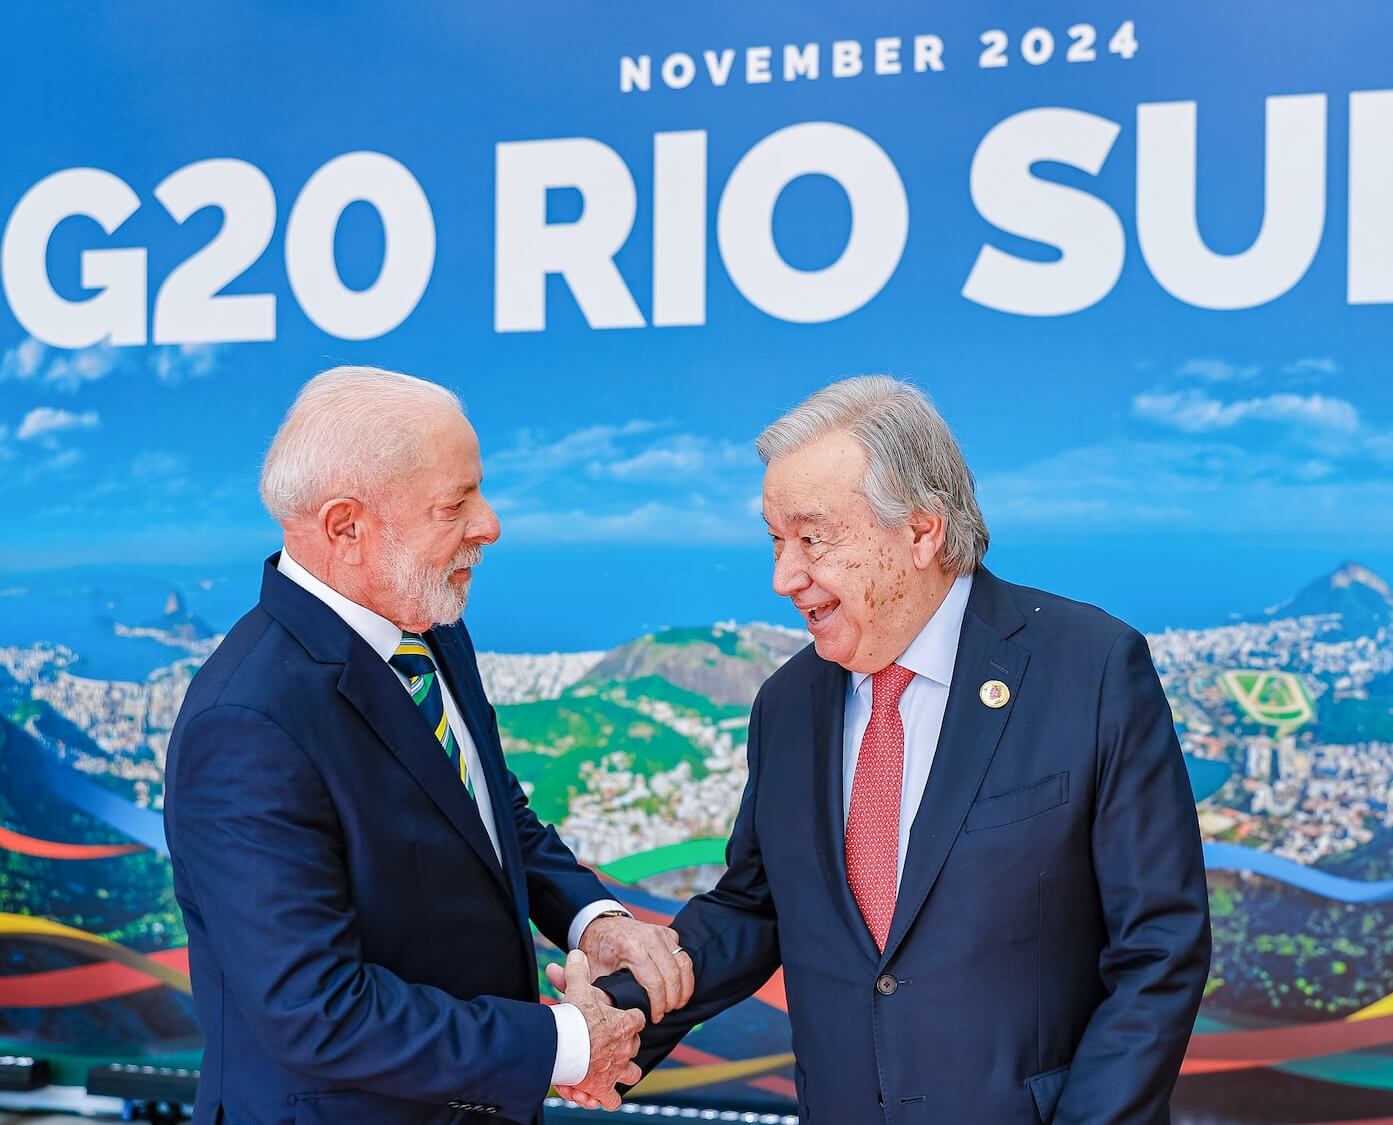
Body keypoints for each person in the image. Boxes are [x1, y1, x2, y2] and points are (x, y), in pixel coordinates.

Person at [609, 376, 1211, 1123]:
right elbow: (753, 909)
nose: (783, 577)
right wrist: (617, 1016)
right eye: (774, 539)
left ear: (921, 531)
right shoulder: (787, 704)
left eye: (811, 537)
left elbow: (1160, 948)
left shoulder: (1089, 669)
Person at [163, 365, 694, 1124]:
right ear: (346, 527)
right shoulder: (246, 723)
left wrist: (593, 921)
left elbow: (485, 812)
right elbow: (317, 1009)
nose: (491, 522)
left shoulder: (431, 626)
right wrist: (566, 1042)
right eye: (456, 503)